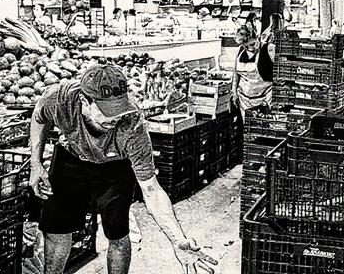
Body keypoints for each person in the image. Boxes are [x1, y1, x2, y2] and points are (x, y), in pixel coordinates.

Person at [28, 64, 216, 274]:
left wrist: (177, 240)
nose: (116, 118)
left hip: (115, 168)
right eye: (108, 112)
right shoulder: (59, 98)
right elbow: (39, 118)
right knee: (56, 229)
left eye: (119, 108)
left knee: (117, 233)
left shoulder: (132, 125)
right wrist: (35, 164)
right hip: (71, 158)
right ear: (84, 102)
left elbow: (151, 189)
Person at [233, 22, 275, 113]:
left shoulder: (268, 49)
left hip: (264, 99)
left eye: (252, 44)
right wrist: (234, 92)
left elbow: (280, 70)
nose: (250, 48)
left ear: (257, 38)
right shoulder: (239, 51)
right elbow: (235, 75)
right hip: (244, 100)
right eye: (246, 46)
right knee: (248, 124)